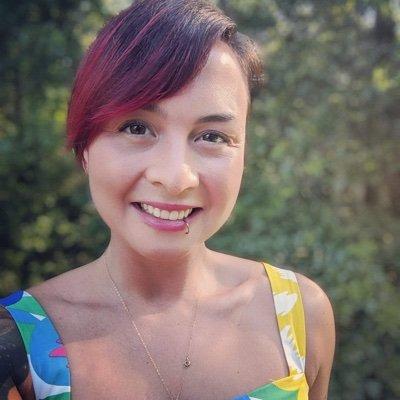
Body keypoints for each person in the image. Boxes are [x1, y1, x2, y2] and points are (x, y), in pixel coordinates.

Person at [0, 1, 335, 399]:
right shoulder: (15, 346)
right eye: (136, 127)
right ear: (85, 146)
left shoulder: (299, 316)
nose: (176, 178)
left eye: (212, 136)